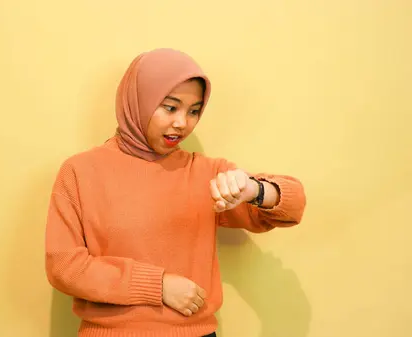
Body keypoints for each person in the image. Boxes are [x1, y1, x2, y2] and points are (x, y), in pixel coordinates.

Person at [44, 48, 306, 337]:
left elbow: (293, 207)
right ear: (138, 101)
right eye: (170, 108)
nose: (183, 123)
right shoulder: (81, 171)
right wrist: (158, 285)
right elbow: (64, 267)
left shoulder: (205, 174)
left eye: (194, 111)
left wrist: (254, 190)